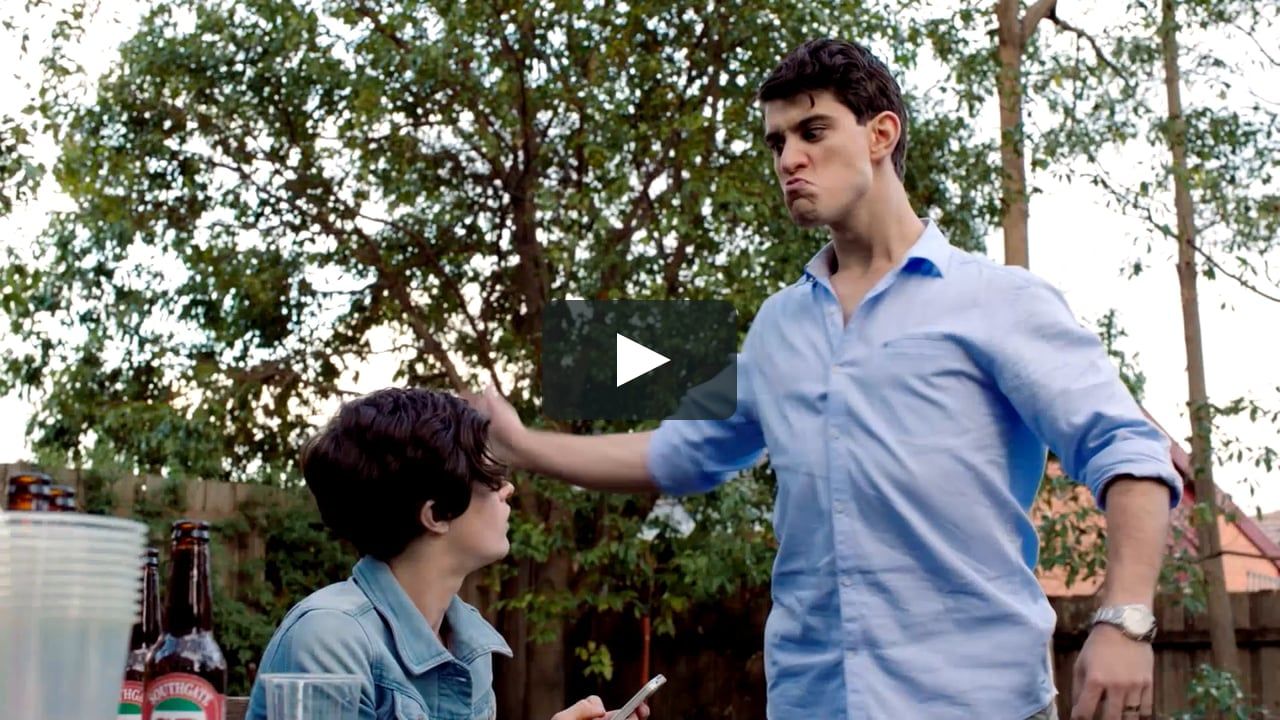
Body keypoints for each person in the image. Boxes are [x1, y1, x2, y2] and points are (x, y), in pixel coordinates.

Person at [467, 39, 1181, 720]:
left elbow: (1128, 451)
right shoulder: (779, 327)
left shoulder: (999, 301)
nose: (789, 159)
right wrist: (523, 446)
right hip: (810, 701)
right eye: (777, 142)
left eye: (812, 132)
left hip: (978, 700)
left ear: (880, 135)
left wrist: (1124, 618)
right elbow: (681, 452)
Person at [245, 388, 648, 720]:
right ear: (436, 514)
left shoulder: (468, 643)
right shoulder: (330, 639)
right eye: (491, 476)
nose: (507, 489)